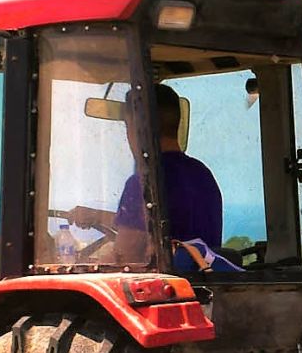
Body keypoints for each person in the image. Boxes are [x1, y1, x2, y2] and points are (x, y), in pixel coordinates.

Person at [66, 82, 224, 270]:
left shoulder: (144, 182)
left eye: (127, 126)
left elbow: (125, 256)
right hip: (203, 282)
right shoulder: (203, 176)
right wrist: (96, 216)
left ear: (137, 127)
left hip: (161, 288)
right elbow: (151, 223)